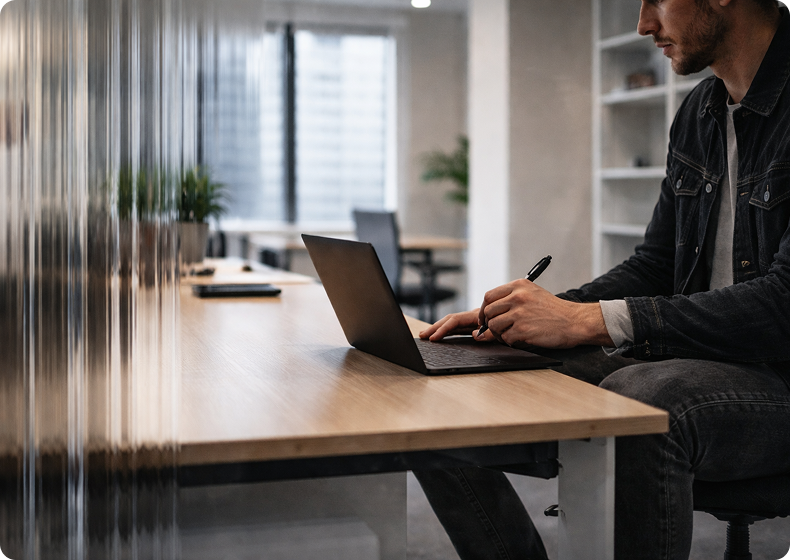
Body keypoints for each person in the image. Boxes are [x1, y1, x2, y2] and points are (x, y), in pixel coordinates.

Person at [413, 0, 790, 558]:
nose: (643, 24)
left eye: (655, 0)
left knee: (640, 401)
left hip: (776, 374)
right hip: (701, 354)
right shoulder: (700, 111)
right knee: (461, 371)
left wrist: (591, 320)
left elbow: (783, 305)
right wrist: (533, 313)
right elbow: (656, 263)